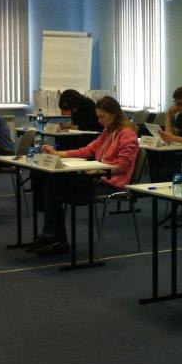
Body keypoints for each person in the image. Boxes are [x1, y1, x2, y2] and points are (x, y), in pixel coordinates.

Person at [29, 96, 138, 256]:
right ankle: (53, 238)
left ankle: (53, 237)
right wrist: (56, 153)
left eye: (102, 117)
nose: (99, 121)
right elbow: (86, 151)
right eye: (98, 117)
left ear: (114, 114)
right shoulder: (108, 131)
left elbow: (122, 167)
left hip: (111, 184)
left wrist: (98, 171)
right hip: (97, 178)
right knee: (51, 181)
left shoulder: (127, 134)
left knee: (55, 187)